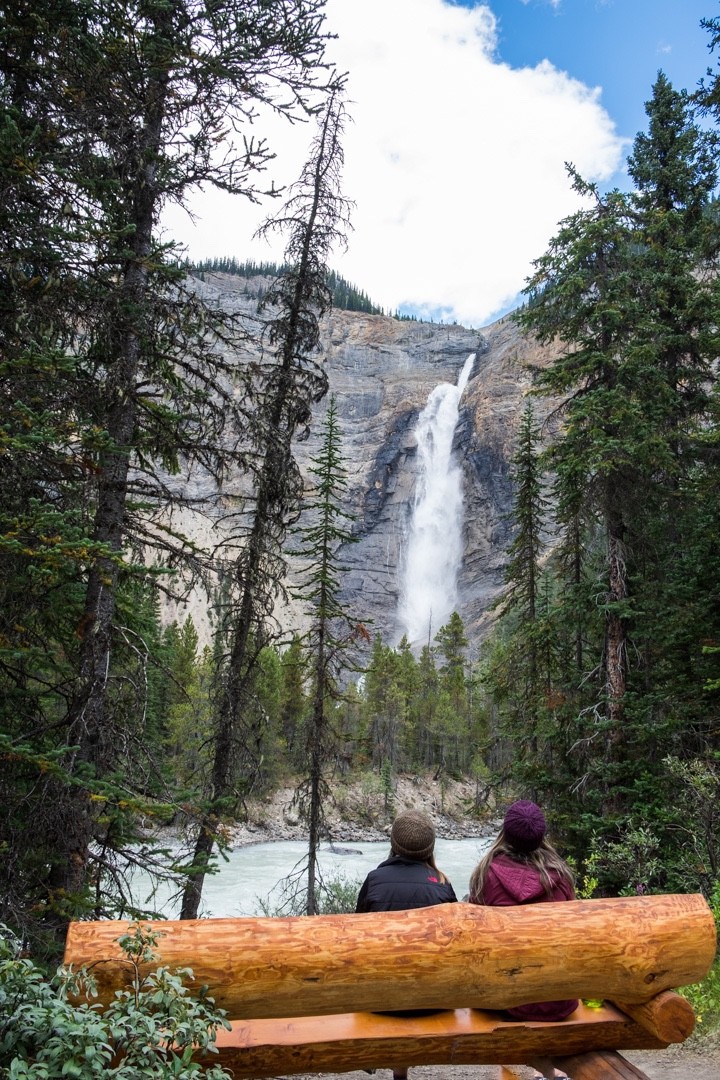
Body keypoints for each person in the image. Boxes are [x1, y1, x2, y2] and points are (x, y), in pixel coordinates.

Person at [468, 800, 577, 1080]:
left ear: (505, 833)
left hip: (507, 1000)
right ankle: (547, 1072)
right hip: (557, 1000)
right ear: (541, 836)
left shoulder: (486, 875)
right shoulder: (562, 877)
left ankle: (515, 1073)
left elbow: (476, 939)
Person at [356, 809, 457, 1080]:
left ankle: (393, 1066)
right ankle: (400, 1071)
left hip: (382, 1000)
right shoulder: (442, 884)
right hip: (433, 1000)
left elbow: (357, 937)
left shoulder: (375, 880)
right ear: (430, 847)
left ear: (394, 844)